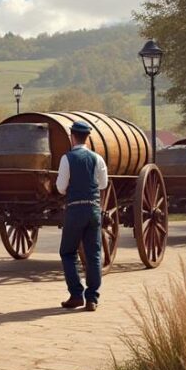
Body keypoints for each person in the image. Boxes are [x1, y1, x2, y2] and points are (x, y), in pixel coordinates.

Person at [55, 120, 109, 312]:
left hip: (75, 210)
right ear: (87, 137)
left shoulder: (67, 159)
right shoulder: (97, 159)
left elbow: (61, 188)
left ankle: (76, 294)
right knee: (94, 254)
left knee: (68, 252)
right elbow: (103, 185)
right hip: (93, 210)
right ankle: (92, 298)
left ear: (72, 137)